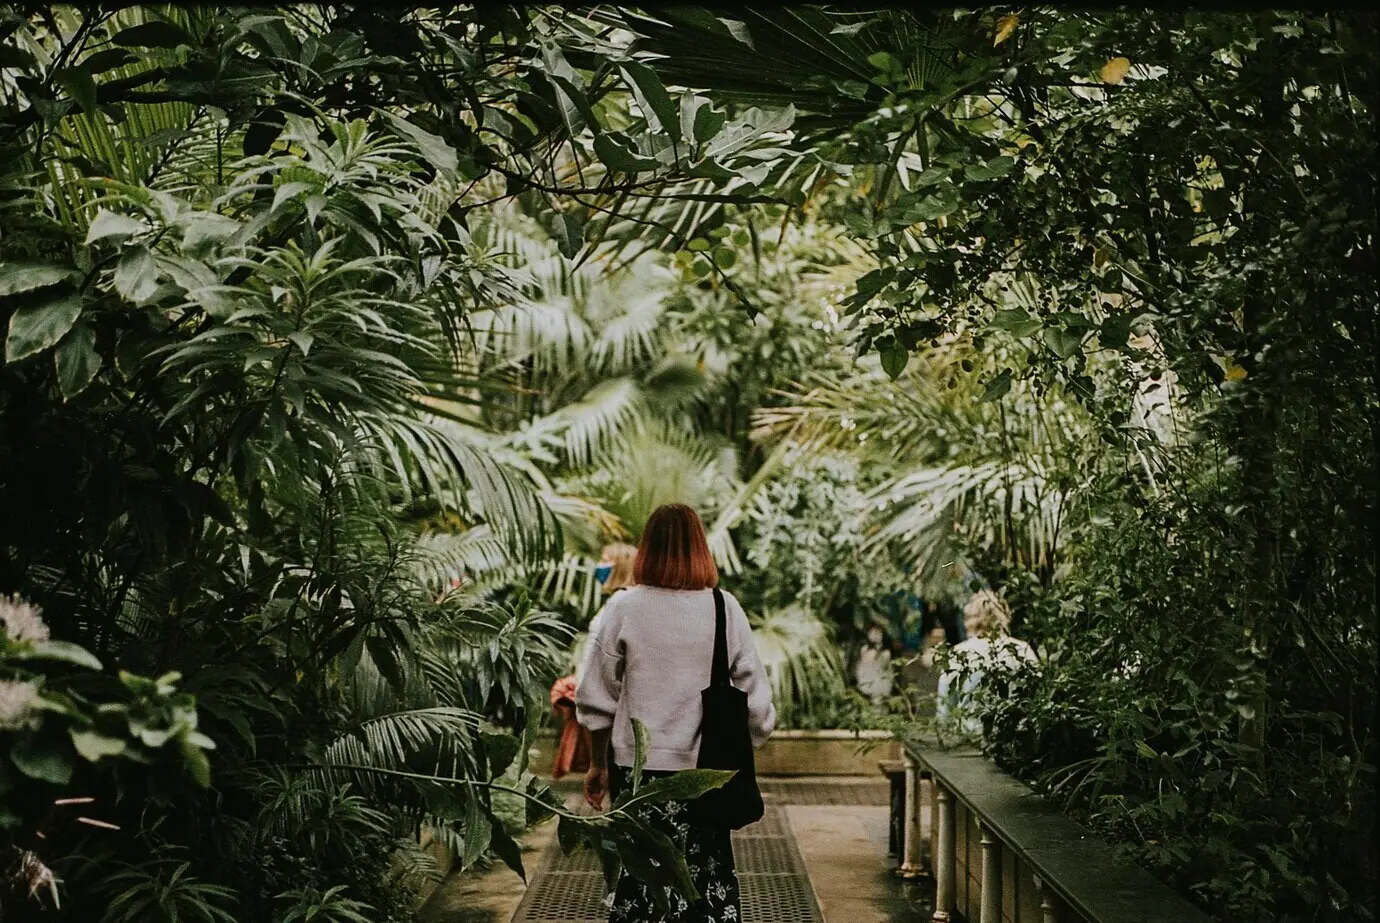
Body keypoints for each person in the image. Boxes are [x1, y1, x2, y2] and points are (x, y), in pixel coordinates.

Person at [576, 504, 775, 923]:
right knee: (705, 881)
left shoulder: (624, 608)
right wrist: (747, 743)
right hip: (707, 776)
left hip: (638, 778)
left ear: (648, 549)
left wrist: (598, 765)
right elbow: (756, 704)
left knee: (641, 881)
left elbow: (596, 699)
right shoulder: (725, 608)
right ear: (701, 549)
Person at [551, 543, 637, 781]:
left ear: (622, 565)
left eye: (605, 560)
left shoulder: (621, 604)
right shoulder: (620, 603)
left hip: (613, 709)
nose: (599, 566)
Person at [935, 589, 1036, 736]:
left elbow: (944, 713)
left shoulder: (958, 654)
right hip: (1018, 737)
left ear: (969, 620)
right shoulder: (1023, 649)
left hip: (970, 738)